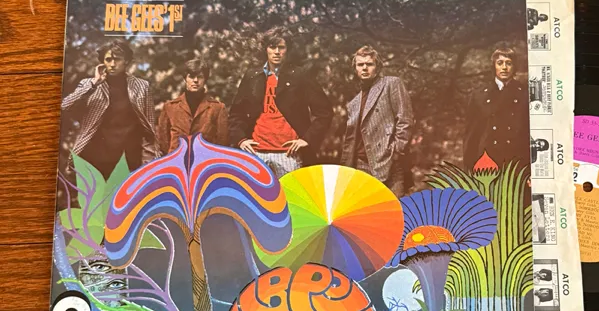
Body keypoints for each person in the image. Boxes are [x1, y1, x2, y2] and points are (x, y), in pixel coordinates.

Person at [229, 29, 332, 177]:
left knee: (290, 192)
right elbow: (236, 113)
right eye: (272, 47)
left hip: (289, 154)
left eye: (281, 47)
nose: (277, 52)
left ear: (287, 49)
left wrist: (307, 139)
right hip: (256, 153)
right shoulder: (252, 76)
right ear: (266, 49)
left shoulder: (300, 75)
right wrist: (241, 139)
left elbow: (325, 112)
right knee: (256, 193)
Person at [61, 40, 159, 178]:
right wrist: (94, 83)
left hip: (129, 159)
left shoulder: (142, 86)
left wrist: (149, 160)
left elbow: (149, 128)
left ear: (126, 61)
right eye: (108, 60)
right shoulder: (89, 84)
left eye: (117, 59)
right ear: (102, 62)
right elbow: (65, 106)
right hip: (94, 158)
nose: (112, 64)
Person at [340, 46, 413, 195]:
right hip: (361, 166)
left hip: (389, 161)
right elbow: (351, 140)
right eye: (360, 64)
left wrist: (397, 151)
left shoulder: (391, 84)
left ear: (377, 67)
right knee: (367, 209)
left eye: (369, 64)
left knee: (395, 206)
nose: (364, 68)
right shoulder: (354, 102)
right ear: (355, 69)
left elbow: (405, 119)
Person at [463, 43, 530, 171]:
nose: (504, 67)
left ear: (514, 67)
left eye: (509, 63)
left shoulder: (525, 94)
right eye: (500, 63)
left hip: (517, 164)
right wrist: (469, 170)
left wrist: (530, 171)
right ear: (494, 66)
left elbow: (530, 136)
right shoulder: (479, 95)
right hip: (487, 165)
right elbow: (471, 137)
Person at [157, 58, 228, 154]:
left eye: (200, 77)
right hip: (176, 160)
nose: (195, 80)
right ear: (185, 79)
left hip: (205, 159)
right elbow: (163, 142)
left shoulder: (217, 108)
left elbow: (222, 143)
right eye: (191, 76)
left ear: (205, 79)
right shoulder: (170, 107)